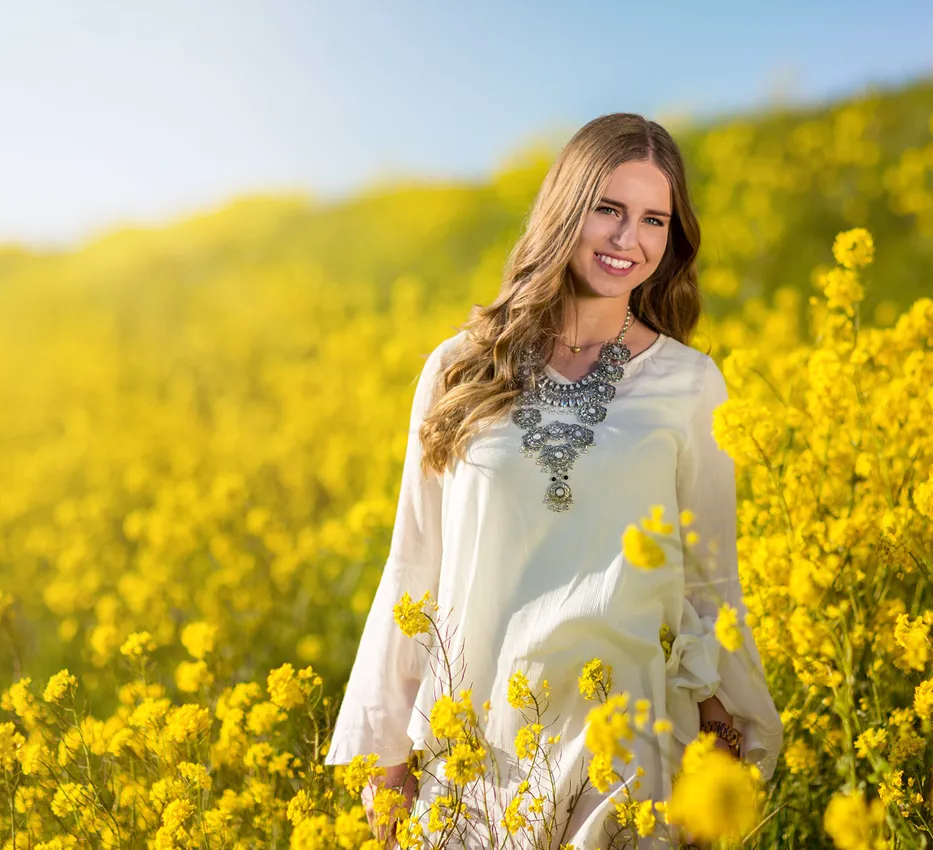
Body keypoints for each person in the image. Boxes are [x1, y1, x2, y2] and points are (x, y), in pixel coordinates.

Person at [324, 112, 783, 849]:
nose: (627, 239)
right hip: (477, 751)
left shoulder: (690, 385)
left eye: (653, 219)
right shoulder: (458, 369)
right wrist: (388, 762)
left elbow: (708, 579)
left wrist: (721, 741)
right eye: (608, 208)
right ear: (565, 207)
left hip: (633, 750)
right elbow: (414, 563)